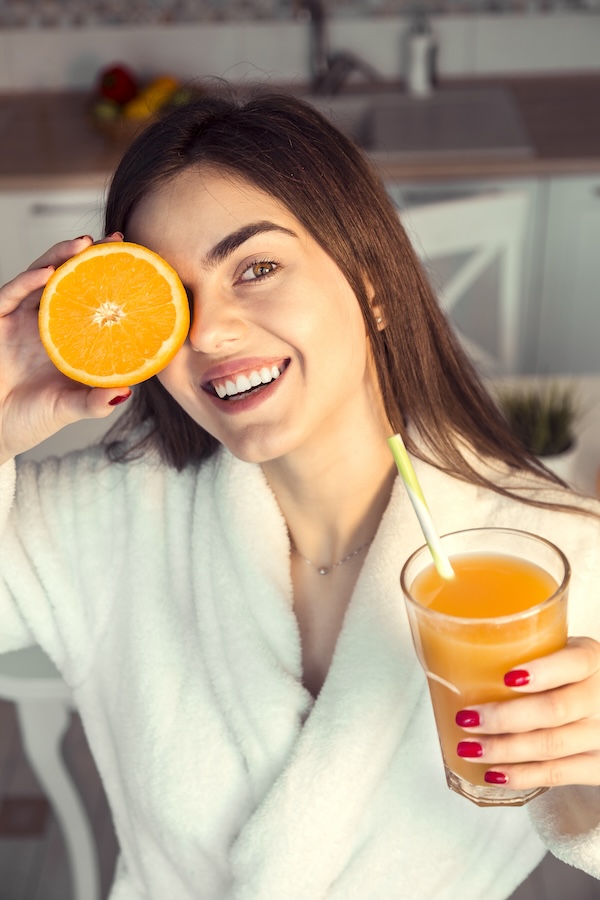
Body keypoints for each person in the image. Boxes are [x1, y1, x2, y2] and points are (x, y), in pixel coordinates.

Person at [0, 86, 599, 900]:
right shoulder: (106, 524)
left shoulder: (562, 558)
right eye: (173, 303)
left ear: (373, 282)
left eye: (256, 267)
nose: (209, 333)